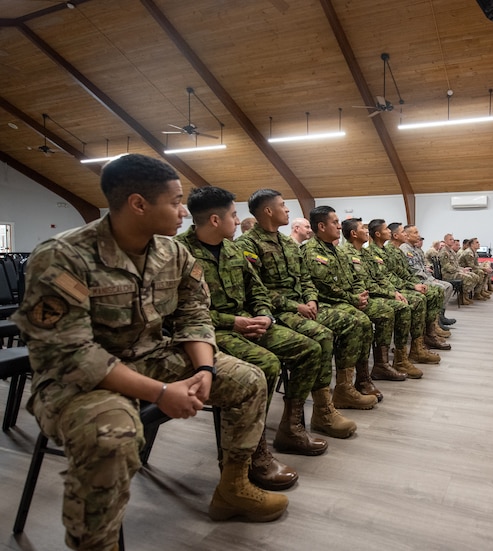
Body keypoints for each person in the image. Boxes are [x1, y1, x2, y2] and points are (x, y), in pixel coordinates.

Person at [11, 154, 287, 550]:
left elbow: (195, 315)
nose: (182, 212)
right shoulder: (64, 256)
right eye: (175, 202)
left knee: (248, 379)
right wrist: (160, 393)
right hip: (77, 383)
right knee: (112, 436)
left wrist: (205, 371)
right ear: (139, 204)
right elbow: (71, 354)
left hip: (151, 356)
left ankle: (232, 488)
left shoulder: (171, 253)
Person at [178, 186, 356, 459]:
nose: (238, 222)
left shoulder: (231, 250)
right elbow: (182, 313)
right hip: (212, 331)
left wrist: (264, 315)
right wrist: (237, 321)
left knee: (310, 348)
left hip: (250, 322)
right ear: (215, 220)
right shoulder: (183, 253)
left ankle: (292, 427)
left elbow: (257, 291)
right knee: (269, 362)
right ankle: (254, 449)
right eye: (234, 216)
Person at [235, 190, 378, 407]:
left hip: (304, 305)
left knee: (355, 323)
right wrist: (297, 305)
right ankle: (321, 407)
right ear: (268, 210)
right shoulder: (248, 245)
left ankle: (344, 388)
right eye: (283, 205)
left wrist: (311, 300)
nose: (287, 209)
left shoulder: (288, 244)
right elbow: (257, 289)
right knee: (323, 336)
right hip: (277, 311)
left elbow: (306, 279)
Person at [303, 206, 396, 405]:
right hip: (327, 303)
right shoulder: (312, 251)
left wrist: (360, 295)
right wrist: (354, 299)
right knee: (359, 322)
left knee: (365, 319)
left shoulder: (336, 251)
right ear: (321, 226)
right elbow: (325, 287)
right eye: (335, 223)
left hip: (346, 300)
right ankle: (345, 387)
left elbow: (355, 278)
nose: (339, 227)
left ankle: (362, 379)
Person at [340, 218, 425, 378]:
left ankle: (401, 358)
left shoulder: (365, 253)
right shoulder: (346, 253)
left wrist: (393, 291)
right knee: (391, 311)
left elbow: (380, 277)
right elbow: (361, 284)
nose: (366, 231)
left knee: (406, 304)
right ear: (353, 234)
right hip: (361, 297)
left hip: (374, 293)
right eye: (362, 229)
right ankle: (381, 365)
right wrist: (391, 293)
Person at [378, 222, 450, 351]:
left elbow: (406, 273)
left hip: (403, 284)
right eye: (403, 232)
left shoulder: (398, 251)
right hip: (394, 288)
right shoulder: (388, 251)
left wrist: (415, 284)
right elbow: (389, 276)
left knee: (435, 292)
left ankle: (429, 333)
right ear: (395, 235)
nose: (405, 234)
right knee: (421, 297)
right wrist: (412, 285)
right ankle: (415, 343)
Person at [401, 225, 456, 326]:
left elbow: (423, 267)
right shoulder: (405, 249)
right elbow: (414, 271)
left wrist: (431, 278)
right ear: (407, 236)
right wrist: (430, 280)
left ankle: (440, 316)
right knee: (441, 288)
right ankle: (435, 321)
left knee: (449, 286)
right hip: (417, 281)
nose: (419, 236)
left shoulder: (416, 249)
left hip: (425, 278)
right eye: (416, 233)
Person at [439, 233, 480, 305]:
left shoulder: (451, 251)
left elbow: (456, 265)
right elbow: (447, 267)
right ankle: (462, 298)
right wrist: (460, 271)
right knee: (468, 278)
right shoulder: (444, 252)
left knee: (474, 276)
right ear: (445, 241)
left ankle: (465, 296)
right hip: (448, 274)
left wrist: (463, 269)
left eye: (453, 239)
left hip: (454, 272)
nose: (452, 241)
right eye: (450, 239)